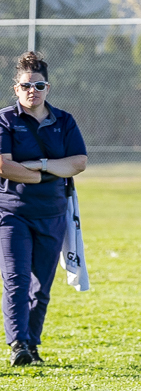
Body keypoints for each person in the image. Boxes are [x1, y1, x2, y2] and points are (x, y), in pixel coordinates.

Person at [0, 51, 88, 366]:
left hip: (52, 213)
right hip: (12, 213)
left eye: (39, 86)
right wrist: (51, 171)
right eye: (26, 86)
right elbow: (5, 167)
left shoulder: (64, 120)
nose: (32, 92)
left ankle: (32, 345)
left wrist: (38, 165)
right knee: (17, 279)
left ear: (48, 88)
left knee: (42, 285)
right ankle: (19, 345)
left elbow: (79, 163)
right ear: (16, 89)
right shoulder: (6, 119)